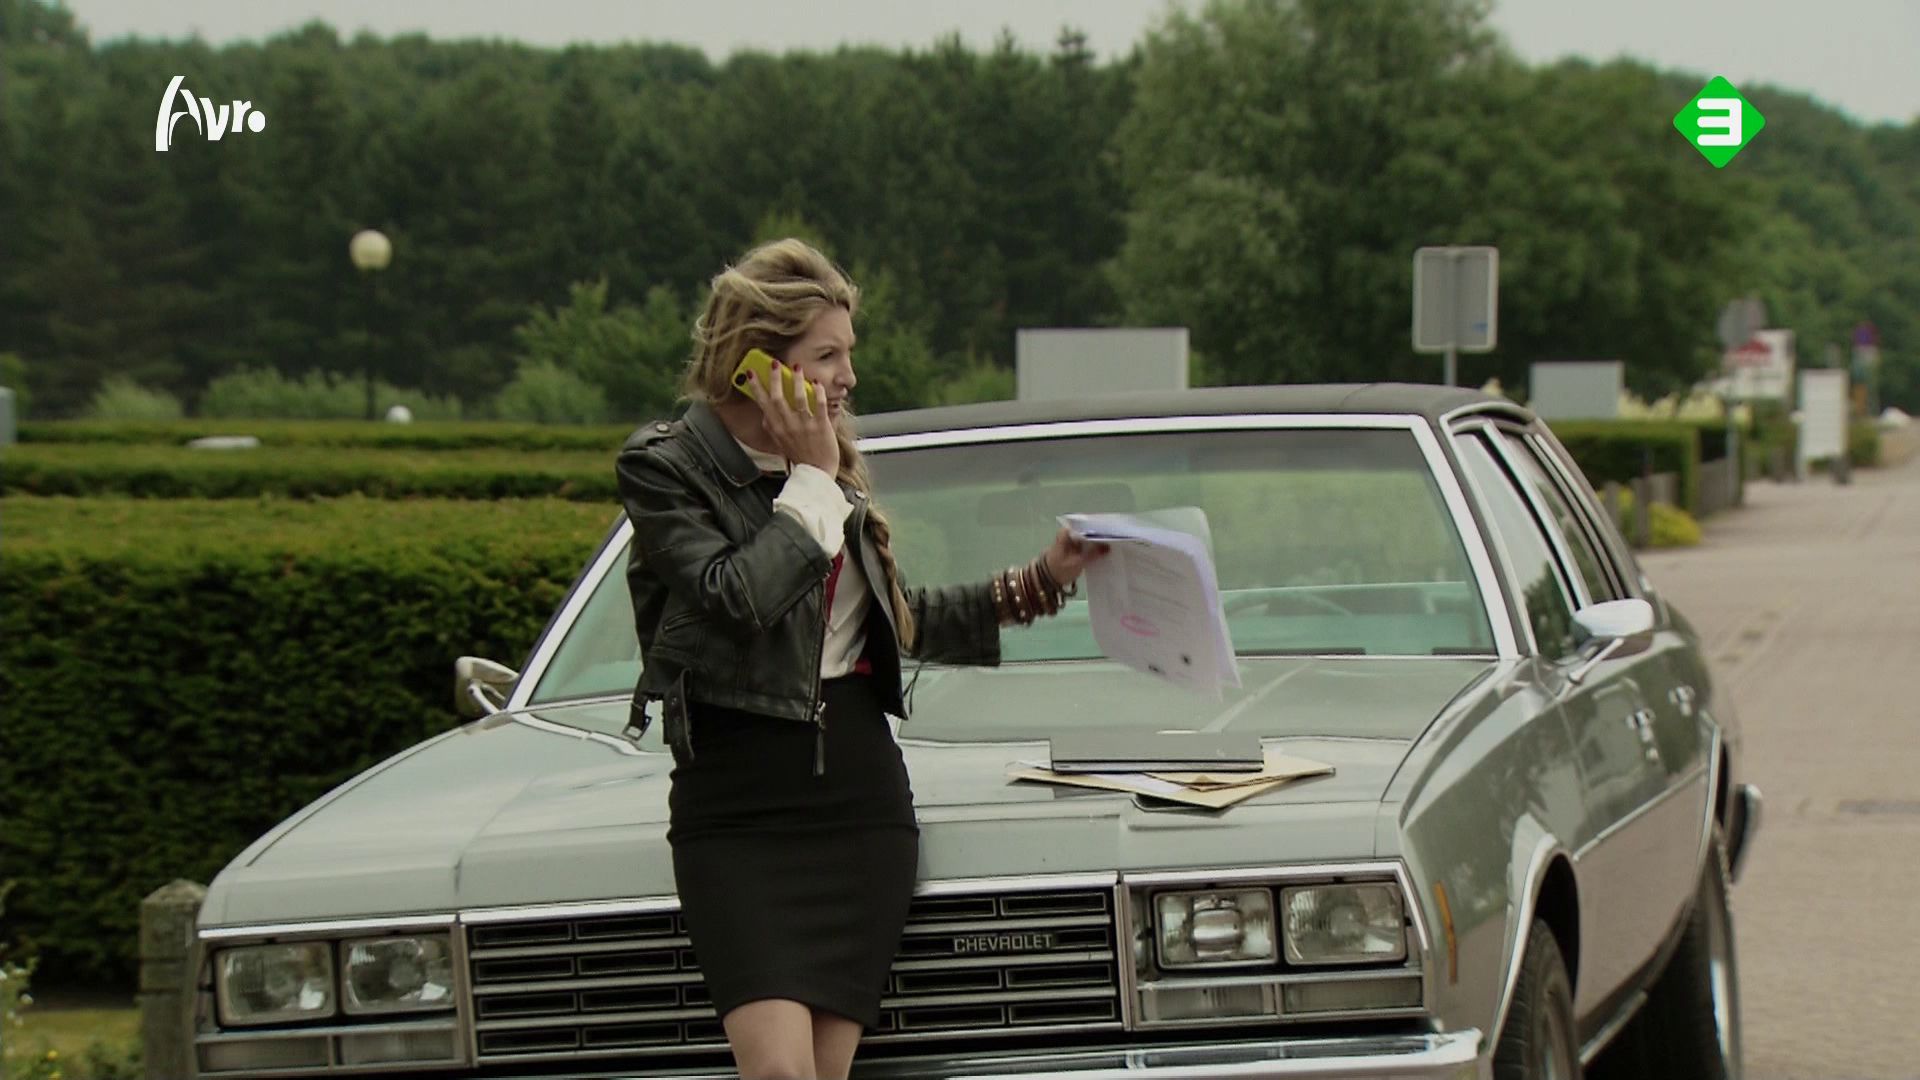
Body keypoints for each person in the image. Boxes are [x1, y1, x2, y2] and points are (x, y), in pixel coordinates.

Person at [613, 238, 1106, 1080]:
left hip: (857, 803)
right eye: (826, 356)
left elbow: (902, 623)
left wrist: (1042, 580)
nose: (849, 378)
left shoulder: (829, 465)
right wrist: (811, 481)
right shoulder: (667, 468)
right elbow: (737, 597)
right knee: (779, 1074)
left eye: (848, 353)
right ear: (755, 365)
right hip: (735, 808)